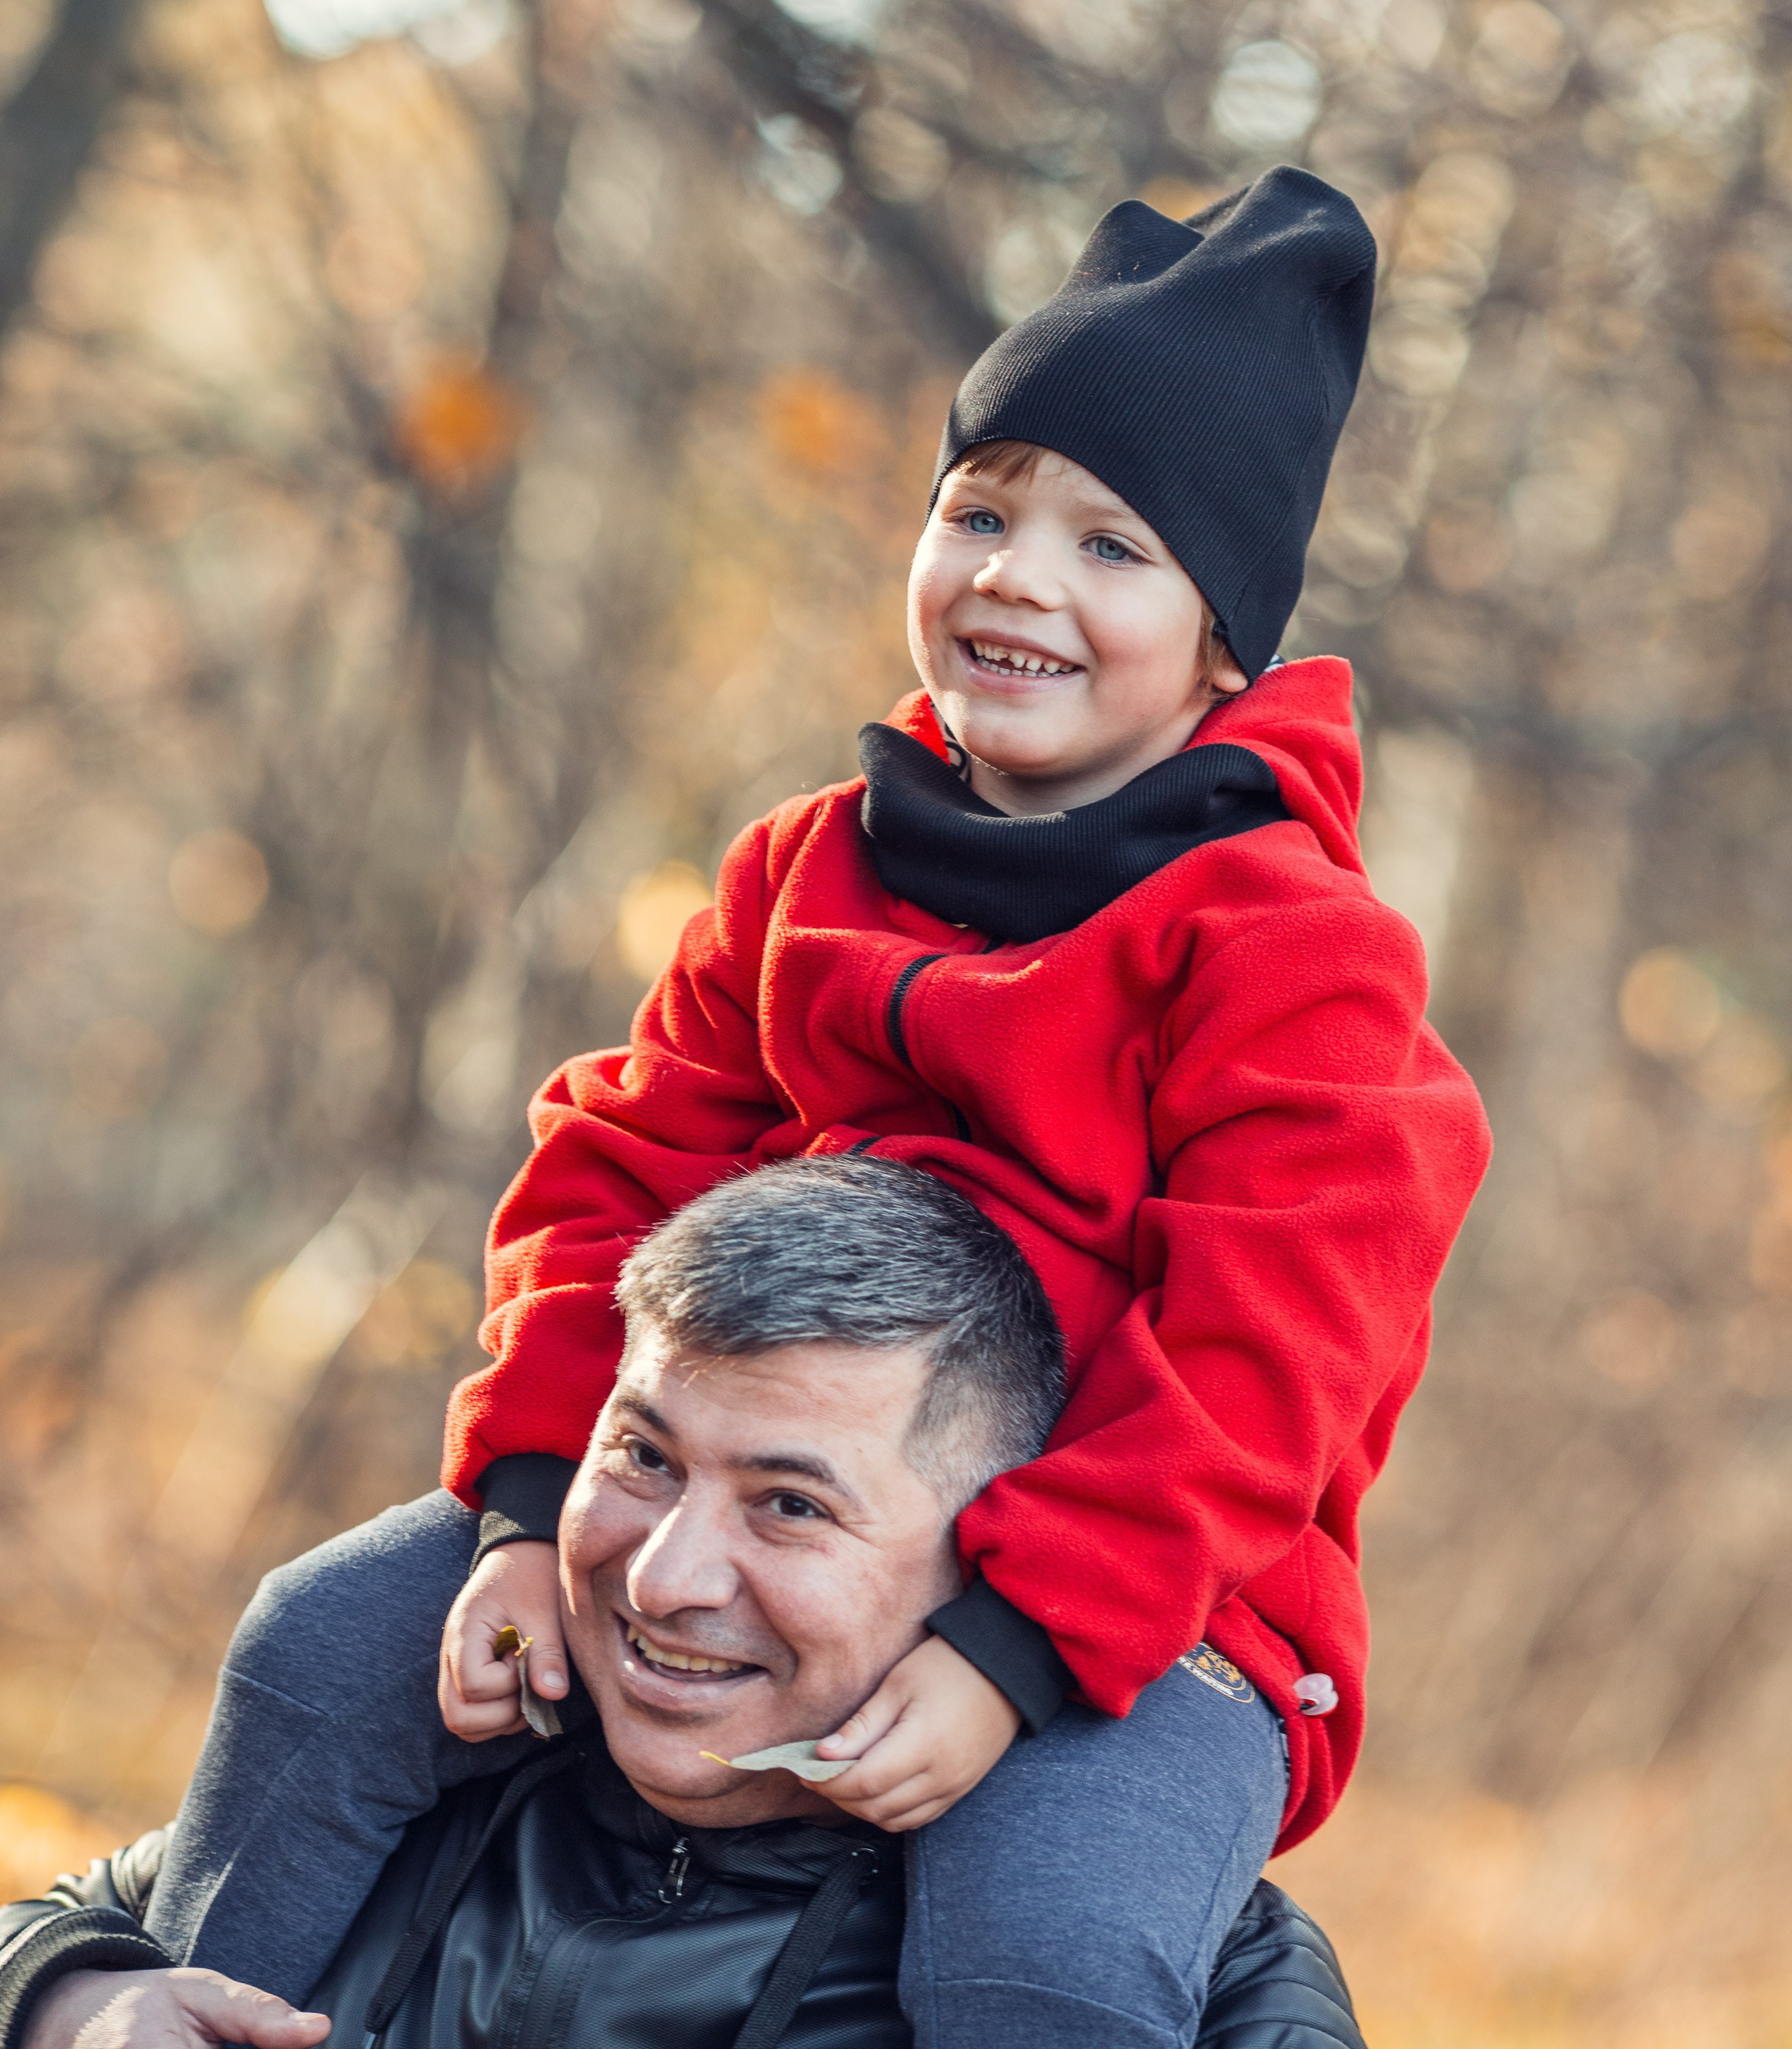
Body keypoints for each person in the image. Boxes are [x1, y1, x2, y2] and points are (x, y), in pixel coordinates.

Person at [138, 167, 1492, 2046]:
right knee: (325, 1644)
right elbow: (615, 1170)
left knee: (1042, 1944)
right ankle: (187, 2015)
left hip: (1156, 1613)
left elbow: (1277, 1354)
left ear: (1226, 644)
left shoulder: (1288, 950)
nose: (1020, 576)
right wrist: (532, 1498)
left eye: (1116, 547)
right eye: (981, 509)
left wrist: (1020, 1655)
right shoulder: (810, 865)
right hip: (743, 1513)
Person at [2, 1163, 1363, 2049]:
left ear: (994, 1555)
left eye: (790, 1505)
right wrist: (78, 2003)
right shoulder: (409, 1782)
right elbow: (58, 1925)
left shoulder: (1168, 1979)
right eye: (642, 1458)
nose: (660, 1580)